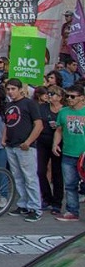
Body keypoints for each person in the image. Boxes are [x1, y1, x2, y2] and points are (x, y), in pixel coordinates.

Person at [4, 78, 44, 222]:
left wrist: (28, 142)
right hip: (11, 145)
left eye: (13, 89)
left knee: (30, 177)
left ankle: (35, 207)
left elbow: (38, 125)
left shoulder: (29, 103)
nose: (10, 92)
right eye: (8, 89)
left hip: (25, 146)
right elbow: (7, 123)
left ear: (20, 89)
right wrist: (4, 139)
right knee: (18, 177)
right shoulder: (8, 105)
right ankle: (24, 204)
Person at [52, 84, 85, 221]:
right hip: (68, 153)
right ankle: (72, 212)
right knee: (70, 185)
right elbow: (59, 129)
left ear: (82, 98)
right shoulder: (63, 111)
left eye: (73, 96)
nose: (69, 99)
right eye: (67, 96)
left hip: (83, 154)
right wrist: (55, 143)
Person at [38, 84, 64, 215]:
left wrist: (58, 127)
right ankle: (47, 197)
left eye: (52, 94)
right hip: (43, 141)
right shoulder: (42, 107)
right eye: (48, 93)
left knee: (57, 173)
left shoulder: (64, 110)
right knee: (40, 171)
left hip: (60, 143)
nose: (49, 96)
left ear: (59, 97)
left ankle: (57, 203)